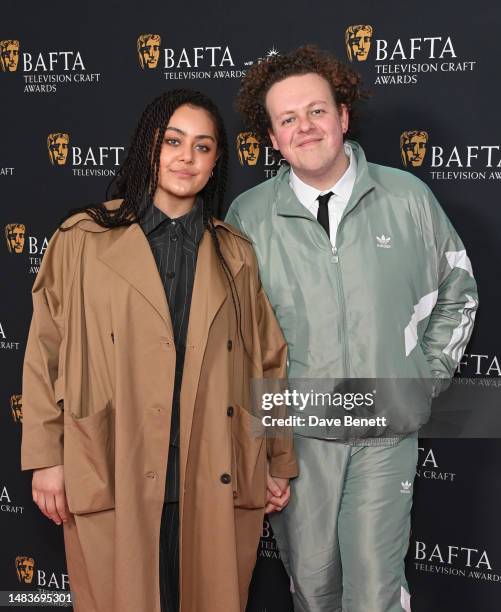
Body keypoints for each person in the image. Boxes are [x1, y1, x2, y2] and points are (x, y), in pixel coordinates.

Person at [21, 89, 297, 612]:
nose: (185, 158)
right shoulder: (80, 238)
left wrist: (277, 461)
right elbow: (44, 352)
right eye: (173, 141)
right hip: (113, 459)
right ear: (148, 146)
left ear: (217, 162)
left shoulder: (234, 251)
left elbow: (267, 362)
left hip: (212, 466)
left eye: (202, 147)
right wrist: (45, 458)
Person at [226, 46, 478, 612]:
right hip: (299, 442)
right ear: (271, 138)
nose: (304, 128)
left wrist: (421, 379)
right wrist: (265, 444)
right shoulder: (248, 216)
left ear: (342, 116)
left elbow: (458, 291)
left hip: (384, 436)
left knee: (375, 594)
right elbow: (237, 342)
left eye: (316, 111)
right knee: (313, 591)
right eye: (287, 119)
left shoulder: (407, 197)